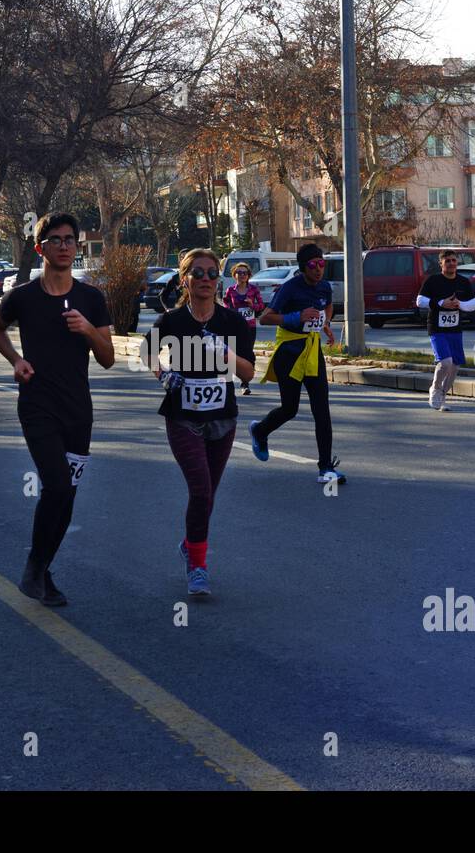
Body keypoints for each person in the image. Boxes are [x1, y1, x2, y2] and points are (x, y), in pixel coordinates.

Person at [0, 212, 113, 607]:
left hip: (79, 410)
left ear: (77, 246)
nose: (63, 245)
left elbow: (108, 357)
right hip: (38, 405)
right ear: (40, 247)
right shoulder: (23, 296)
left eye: (69, 239)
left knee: (67, 495)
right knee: (56, 485)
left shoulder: (91, 298)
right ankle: (35, 568)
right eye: (55, 240)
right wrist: (16, 360)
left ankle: (41, 570)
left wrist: (88, 330)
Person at [147, 249, 255, 595]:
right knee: (201, 489)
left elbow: (249, 373)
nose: (206, 279)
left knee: (208, 496)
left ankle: (190, 542)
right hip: (183, 417)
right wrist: (164, 374)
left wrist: (225, 354)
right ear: (185, 280)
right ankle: (197, 566)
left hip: (222, 418)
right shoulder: (172, 322)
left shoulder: (232, 323)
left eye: (212, 274)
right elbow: (147, 352)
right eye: (198, 273)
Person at [248, 243, 345, 485]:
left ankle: (325, 468)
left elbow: (328, 305)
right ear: (303, 268)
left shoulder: (324, 286)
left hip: (312, 353)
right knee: (289, 409)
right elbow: (266, 317)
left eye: (322, 263)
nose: (319, 269)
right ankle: (260, 430)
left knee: (322, 410)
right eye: (313, 265)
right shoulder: (290, 288)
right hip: (289, 354)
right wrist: (296, 317)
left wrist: (324, 323)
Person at [416, 250, 475, 411]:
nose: (451, 263)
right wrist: (441, 303)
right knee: (445, 362)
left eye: (453, 260)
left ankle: (442, 395)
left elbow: (473, 304)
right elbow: (420, 301)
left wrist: (459, 305)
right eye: (447, 261)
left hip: (455, 329)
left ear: (457, 263)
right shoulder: (433, 281)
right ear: (441, 264)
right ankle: (435, 389)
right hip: (437, 328)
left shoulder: (463, 282)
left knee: (455, 366)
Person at [222, 262, 264, 395]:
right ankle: (228, 381)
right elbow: (225, 305)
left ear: (248, 275)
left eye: (244, 273)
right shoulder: (230, 290)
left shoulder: (253, 290)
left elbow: (261, 306)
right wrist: (230, 312)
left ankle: (245, 383)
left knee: (247, 353)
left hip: (249, 327)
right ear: (234, 275)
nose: (242, 275)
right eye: (239, 273)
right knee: (233, 352)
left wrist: (252, 305)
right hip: (234, 327)